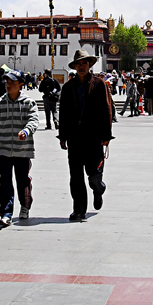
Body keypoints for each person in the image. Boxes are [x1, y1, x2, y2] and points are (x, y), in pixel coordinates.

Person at [57, 49, 113, 222]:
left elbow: (106, 109)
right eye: (78, 64)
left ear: (89, 65)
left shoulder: (99, 84)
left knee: (94, 174)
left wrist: (106, 135)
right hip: (75, 137)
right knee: (76, 176)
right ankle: (79, 210)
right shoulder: (68, 87)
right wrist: (62, 135)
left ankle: (98, 189)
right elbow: (63, 113)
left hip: (93, 137)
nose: (81, 66)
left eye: (84, 63)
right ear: (74, 66)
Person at [0, 69, 38, 226]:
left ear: (21, 84)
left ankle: (25, 205)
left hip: (23, 150)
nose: (8, 85)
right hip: (3, 150)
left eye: (13, 82)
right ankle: (6, 212)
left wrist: (26, 131)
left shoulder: (28, 102)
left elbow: (33, 120)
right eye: (7, 82)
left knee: (22, 180)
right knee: (5, 181)